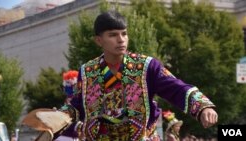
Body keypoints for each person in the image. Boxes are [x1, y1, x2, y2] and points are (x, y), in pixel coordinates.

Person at [61, 10, 218, 141]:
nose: (121, 40)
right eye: (113, 35)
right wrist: (57, 118)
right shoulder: (87, 71)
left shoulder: (147, 66)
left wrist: (203, 107)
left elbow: (176, 87)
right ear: (98, 40)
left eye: (124, 34)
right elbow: (78, 105)